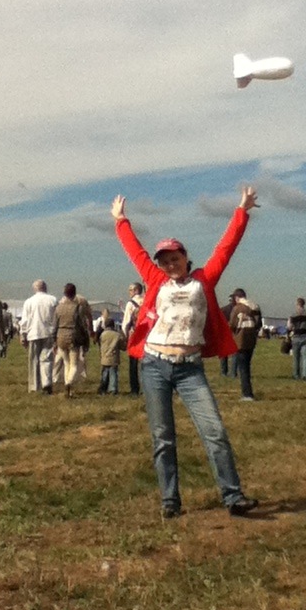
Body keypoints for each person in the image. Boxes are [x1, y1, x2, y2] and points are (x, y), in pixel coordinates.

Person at [111, 186, 260, 519]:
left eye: (175, 258)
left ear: (185, 257)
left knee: (214, 432)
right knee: (163, 437)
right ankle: (170, 500)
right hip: (154, 365)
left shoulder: (203, 280)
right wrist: (121, 220)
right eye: (164, 260)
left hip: (190, 368)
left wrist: (242, 211)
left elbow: (226, 247)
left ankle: (233, 496)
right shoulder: (155, 280)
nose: (170, 264)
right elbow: (135, 251)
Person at [20, 280, 58, 394]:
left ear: (34, 288)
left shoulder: (29, 301)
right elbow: (56, 318)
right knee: (47, 359)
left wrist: (23, 334)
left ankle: (34, 386)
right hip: (48, 332)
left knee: (34, 360)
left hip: (33, 333)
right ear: (45, 287)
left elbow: (25, 320)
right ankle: (46, 383)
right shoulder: (53, 300)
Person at [53, 283, 91, 398]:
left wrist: (54, 341)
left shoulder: (58, 308)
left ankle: (68, 390)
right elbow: (82, 325)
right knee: (74, 365)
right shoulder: (77, 308)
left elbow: (54, 326)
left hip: (60, 337)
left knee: (66, 363)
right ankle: (68, 384)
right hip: (73, 337)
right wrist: (86, 339)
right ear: (74, 293)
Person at [229, 288, 262, 400]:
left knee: (243, 368)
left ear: (237, 297)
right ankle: (248, 392)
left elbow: (232, 324)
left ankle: (247, 394)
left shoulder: (237, 308)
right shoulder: (255, 307)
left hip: (240, 341)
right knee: (247, 366)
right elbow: (259, 324)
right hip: (251, 340)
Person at [121, 282, 144, 395]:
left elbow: (126, 322)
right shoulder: (146, 301)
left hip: (134, 335)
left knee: (133, 364)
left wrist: (125, 337)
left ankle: (134, 389)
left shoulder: (130, 304)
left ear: (136, 290)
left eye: (130, 290)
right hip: (146, 335)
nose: (129, 292)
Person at [287, 297, 306, 380]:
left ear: (297, 304)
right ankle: (305, 375)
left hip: (296, 337)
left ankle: (296, 375)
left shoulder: (292, 315)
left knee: (296, 358)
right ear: (304, 304)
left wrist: (289, 335)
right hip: (305, 337)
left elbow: (289, 327)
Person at [98, 317, 127, 395]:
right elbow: (123, 346)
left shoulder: (103, 334)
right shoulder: (117, 335)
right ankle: (113, 389)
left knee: (104, 374)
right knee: (113, 373)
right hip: (114, 357)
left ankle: (103, 389)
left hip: (104, 357)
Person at [219, 294, 239, 378]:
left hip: (224, 333)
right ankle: (233, 372)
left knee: (224, 353)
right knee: (235, 353)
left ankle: (223, 372)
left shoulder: (223, 309)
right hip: (234, 333)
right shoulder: (237, 309)